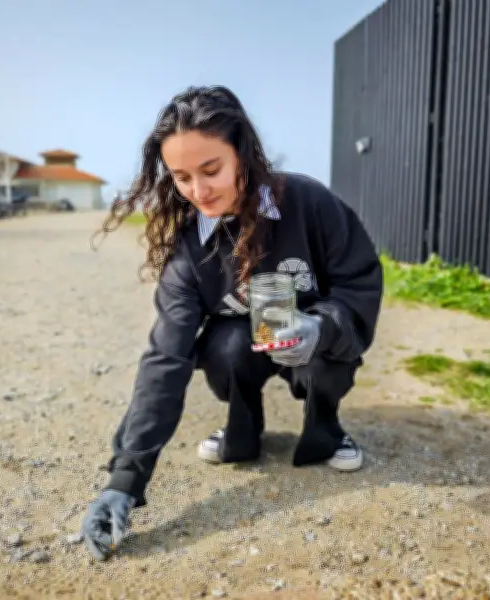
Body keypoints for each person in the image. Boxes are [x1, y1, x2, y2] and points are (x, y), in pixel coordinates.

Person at [81, 85, 383, 561]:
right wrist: (124, 480)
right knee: (224, 347)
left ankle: (327, 426)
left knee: (328, 353)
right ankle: (243, 427)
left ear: (241, 152)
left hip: (312, 337)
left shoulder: (309, 202)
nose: (198, 192)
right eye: (182, 177)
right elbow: (166, 356)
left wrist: (320, 327)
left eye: (211, 170)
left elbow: (358, 281)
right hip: (244, 347)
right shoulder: (188, 251)